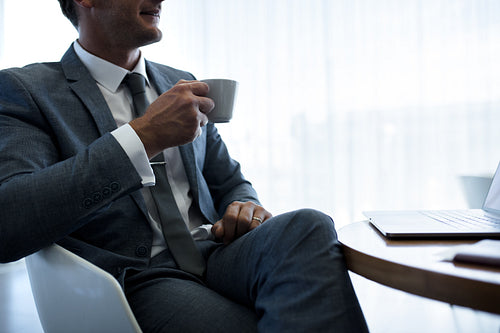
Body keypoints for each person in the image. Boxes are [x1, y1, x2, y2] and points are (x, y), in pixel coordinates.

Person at [0, 0, 369, 332]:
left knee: (309, 224)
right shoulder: (28, 90)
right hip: (139, 274)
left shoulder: (179, 83)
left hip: (215, 252)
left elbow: (229, 181)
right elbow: (11, 217)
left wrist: (245, 206)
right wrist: (142, 136)